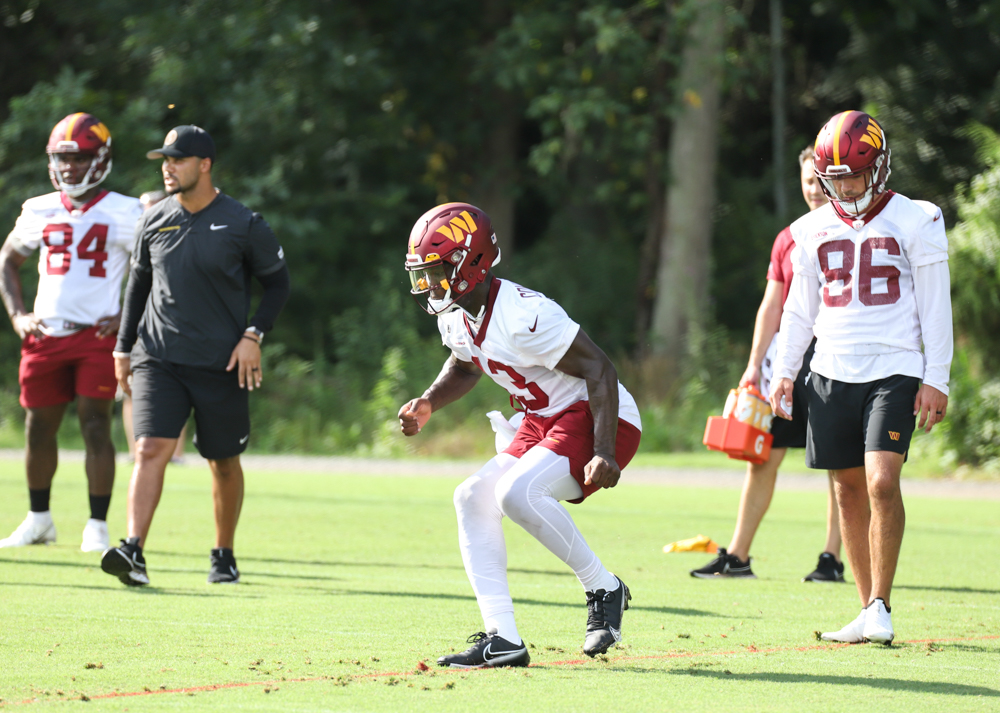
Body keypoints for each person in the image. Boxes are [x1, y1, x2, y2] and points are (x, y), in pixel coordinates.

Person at [397, 203, 643, 668]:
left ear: (468, 265)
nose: (427, 285)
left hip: (596, 414)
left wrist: (605, 450)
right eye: (422, 274)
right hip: (542, 417)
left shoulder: (524, 315)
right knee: (471, 496)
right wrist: (430, 401)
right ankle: (503, 638)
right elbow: (466, 362)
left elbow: (600, 369)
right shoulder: (454, 314)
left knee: (516, 493)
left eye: (435, 272)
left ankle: (604, 587)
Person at [770, 111, 952, 645]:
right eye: (836, 177)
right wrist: (784, 371)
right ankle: (865, 611)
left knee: (880, 480)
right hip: (829, 370)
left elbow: (935, 306)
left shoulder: (917, 219)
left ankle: (881, 603)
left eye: (854, 174)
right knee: (846, 489)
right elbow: (798, 311)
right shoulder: (808, 229)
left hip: (894, 368)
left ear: (879, 166)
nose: (846, 186)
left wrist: (935, 378)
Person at [100, 125, 290, 586]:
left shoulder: (244, 223)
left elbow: (278, 283)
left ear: (204, 165)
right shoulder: (154, 217)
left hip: (220, 363)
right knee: (149, 449)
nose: (168, 167)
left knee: (223, 461)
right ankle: (134, 551)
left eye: (177, 159)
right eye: (164, 160)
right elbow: (138, 286)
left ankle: (223, 553)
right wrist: (123, 347)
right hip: (158, 356)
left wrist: (253, 334)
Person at [690, 146, 845, 582]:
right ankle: (737, 557)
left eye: (821, 180)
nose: (814, 188)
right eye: (808, 180)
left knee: (837, 461)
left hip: (835, 356)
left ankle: (831, 559)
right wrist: (754, 365)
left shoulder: (849, 231)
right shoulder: (788, 237)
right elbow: (771, 306)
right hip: (788, 363)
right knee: (762, 458)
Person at [0, 113, 141, 553]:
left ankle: (97, 526)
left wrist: (126, 318)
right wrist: (18, 316)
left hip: (97, 336)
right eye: (62, 158)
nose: (69, 167)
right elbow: (7, 260)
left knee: (96, 426)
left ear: (100, 158)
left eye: (78, 158)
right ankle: (39, 519)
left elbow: (155, 270)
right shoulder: (39, 207)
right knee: (37, 427)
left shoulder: (126, 210)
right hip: (45, 333)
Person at [119, 190, 188, 465]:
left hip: (175, 325)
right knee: (131, 389)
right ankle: (135, 451)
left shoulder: (181, 239)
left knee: (180, 388)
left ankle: (177, 454)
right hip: (138, 326)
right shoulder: (131, 243)